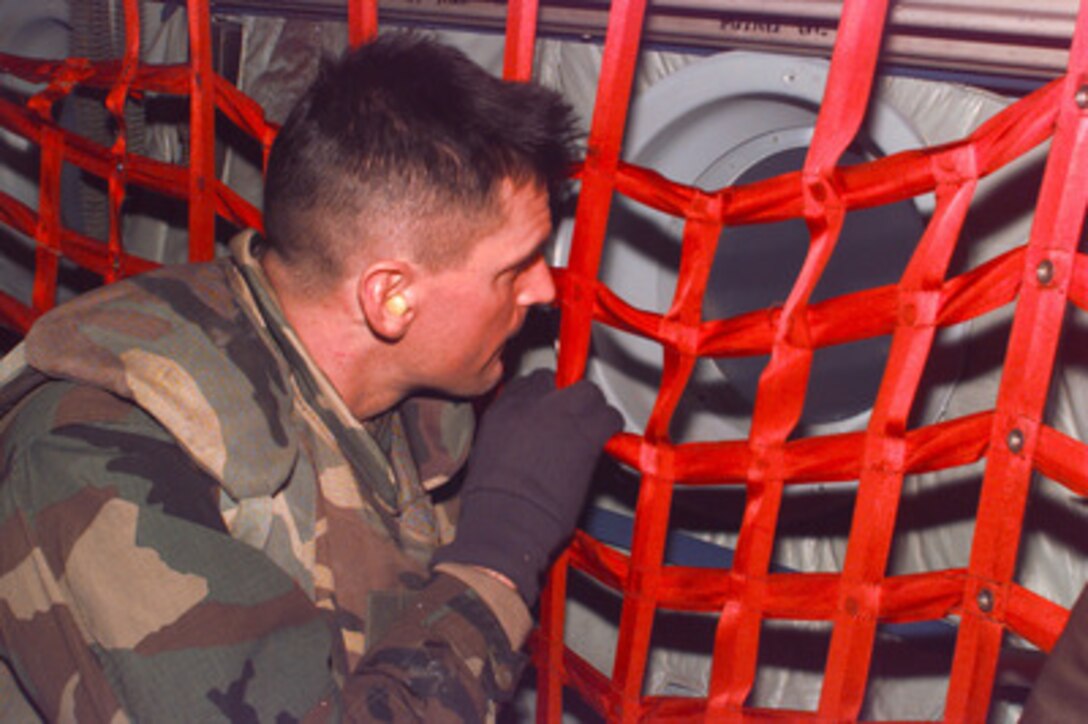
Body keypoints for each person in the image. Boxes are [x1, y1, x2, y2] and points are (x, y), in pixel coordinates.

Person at [0, 33, 622, 722]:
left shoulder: (387, 405)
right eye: (515, 269)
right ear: (390, 299)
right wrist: (503, 546)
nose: (545, 290)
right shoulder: (97, 457)